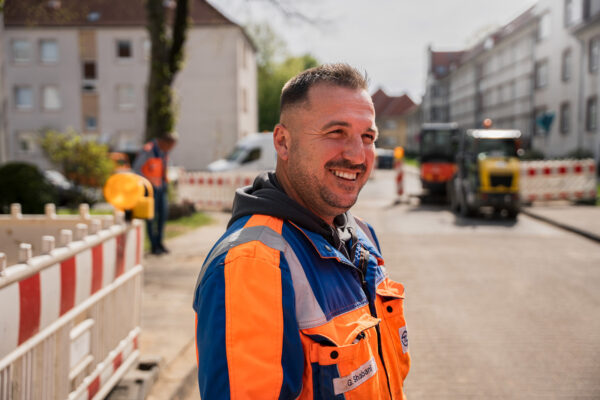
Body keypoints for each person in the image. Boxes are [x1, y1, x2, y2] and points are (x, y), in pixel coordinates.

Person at [193, 64, 410, 399]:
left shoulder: (361, 237)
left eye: (367, 137)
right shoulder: (254, 263)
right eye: (336, 132)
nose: (357, 155)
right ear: (283, 142)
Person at [133, 132, 177, 255]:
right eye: (169, 146)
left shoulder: (164, 152)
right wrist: (148, 181)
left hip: (161, 188)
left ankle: (160, 243)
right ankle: (153, 245)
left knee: (162, 217)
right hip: (150, 190)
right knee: (151, 218)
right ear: (163, 142)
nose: (170, 149)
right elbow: (136, 169)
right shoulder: (148, 150)